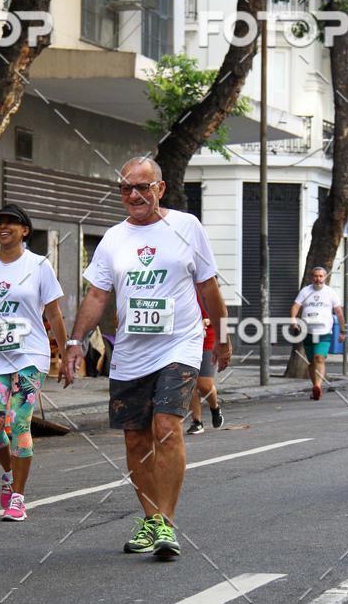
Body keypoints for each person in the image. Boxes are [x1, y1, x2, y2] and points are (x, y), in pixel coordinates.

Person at [63, 157, 231, 559]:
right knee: (136, 436)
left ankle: (167, 525)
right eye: (126, 188)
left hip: (180, 344)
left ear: (161, 188)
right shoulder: (113, 238)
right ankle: (151, 519)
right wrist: (74, 342)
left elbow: (208, 287)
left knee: (166, 426)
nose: (134, 195)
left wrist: (222, 337)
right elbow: (98, 296)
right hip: (131, 352)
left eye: (142, 187)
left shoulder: (187, 227)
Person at [0, 203, 67, 522]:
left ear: (25, 230)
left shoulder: (38, 266)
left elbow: (53, 313)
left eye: (11, 222)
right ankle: (9, 474)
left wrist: (65, 353)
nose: (3, 227)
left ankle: (18, 497)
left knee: (19, 421)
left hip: (30, 355)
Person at [291, 266, 345, 401]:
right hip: (308, 331)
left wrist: (343, 330)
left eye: (321, 276)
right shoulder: (305, 291)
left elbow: (339, 312)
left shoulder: (330, 292)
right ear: (311, 277)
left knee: (319, 358)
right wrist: (293, 320)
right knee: (311, 362)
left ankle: (318, 387)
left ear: (325, 277)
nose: (318, 279)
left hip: (324, 331)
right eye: (316, 276)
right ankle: (315, 385)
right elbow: (296, 306)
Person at [186, 293, 224, 434]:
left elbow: (222, 315)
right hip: (186, 343)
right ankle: (197, 421)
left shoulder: (209, 292)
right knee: (191, 383)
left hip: (208, 342)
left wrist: (207, 321)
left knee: (204, 384)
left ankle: (215, 407)